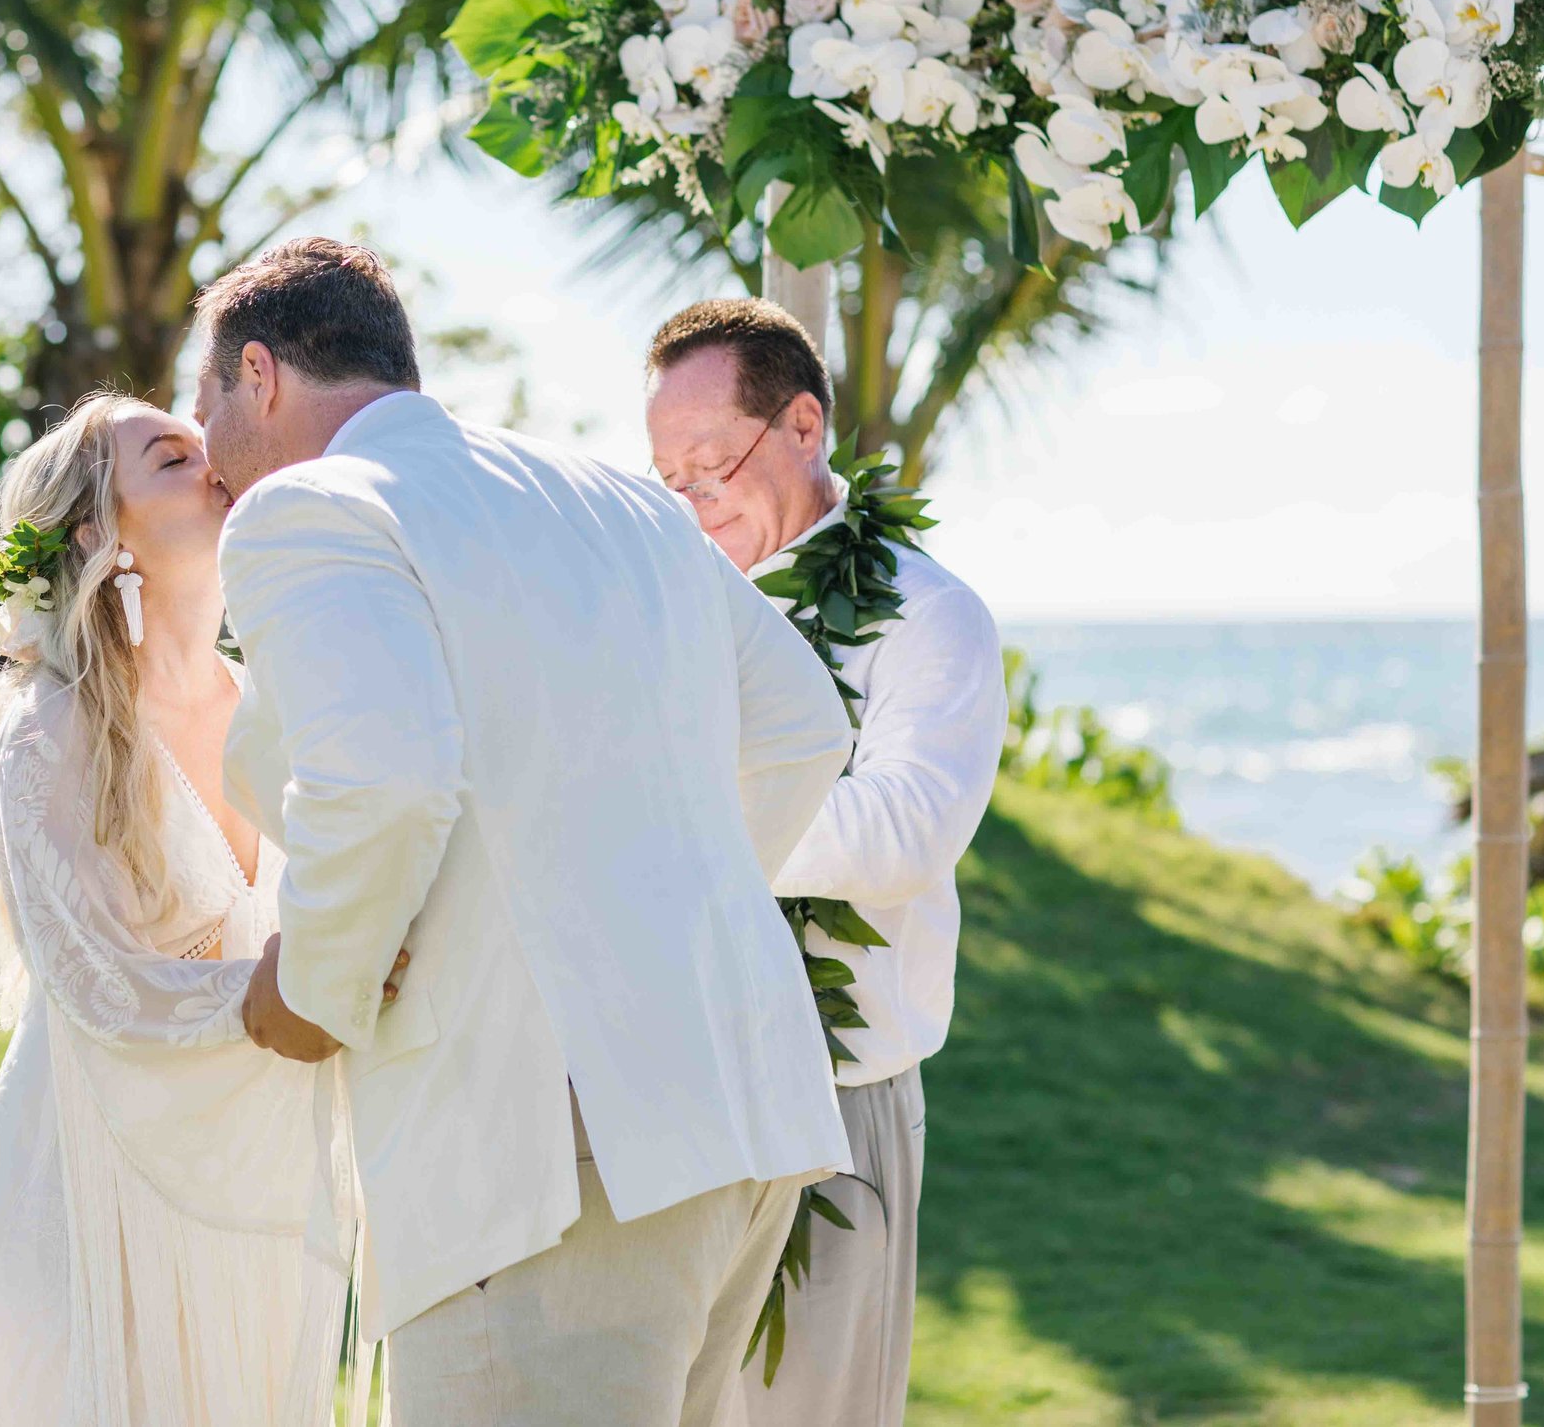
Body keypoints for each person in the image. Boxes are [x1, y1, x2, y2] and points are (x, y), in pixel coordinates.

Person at [197, 237, 859, 1427]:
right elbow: (802, 724)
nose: (203, 446)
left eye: (201, 401)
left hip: (552, 1149)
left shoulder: (309, 507)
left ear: (259, 372)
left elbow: (384, 778)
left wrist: (315, 986)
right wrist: (649, 919)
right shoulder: (609, 493)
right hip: (737, 1109)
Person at [0, 393, 346, 1427]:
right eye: (172, 455)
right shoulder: (52, 727)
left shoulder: (278, 699)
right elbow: (93, 975)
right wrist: (269, 993)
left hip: (256, 1171)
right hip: (102, 1163)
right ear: (99, 530)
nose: (215, 458)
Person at [645, 298, 1003, 1427]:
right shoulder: (663, 604)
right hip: (668, 1083)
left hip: (833, 1098)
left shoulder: (927, 616)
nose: (693, 503)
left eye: (712, 463)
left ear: (802, 425)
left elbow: (900, 831)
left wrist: (674, 820)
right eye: (667, 476)